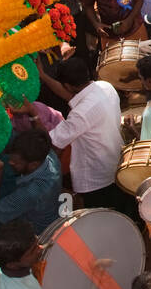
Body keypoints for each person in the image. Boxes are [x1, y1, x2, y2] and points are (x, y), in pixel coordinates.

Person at [42, 56, 128, 216]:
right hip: (116, 165)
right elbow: (73, 97)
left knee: (101, 219)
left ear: (68, 85)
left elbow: (52, 142)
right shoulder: (106, 87)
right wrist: (43, 76)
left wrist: (33, 114)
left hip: (96, 179)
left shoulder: (80, 114)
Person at [0, 126, 62, 234]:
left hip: (35, 231)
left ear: (33, 165)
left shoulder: (34, 191)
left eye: (16, 163)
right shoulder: (47, 154)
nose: (10, 163)